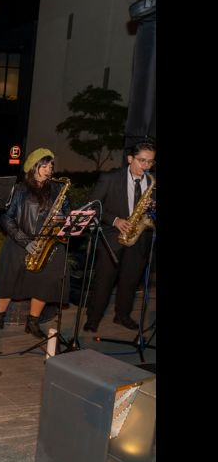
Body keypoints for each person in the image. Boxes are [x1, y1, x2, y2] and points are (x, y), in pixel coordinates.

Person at [0, 148, 70, 339]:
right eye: (45, 165)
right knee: (8, 282)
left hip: (47, 243)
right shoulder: (20, 189)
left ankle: (32, 322)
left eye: (51, 165)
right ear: (34, 166)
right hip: (19, 242)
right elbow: (6, 219)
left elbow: (68, 212)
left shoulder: (58, 189)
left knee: (43, 284)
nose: (50, 169)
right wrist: (25, 241)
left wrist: (62, 217)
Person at [83, 142, 156, 333]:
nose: (146, 166)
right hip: (112, 237)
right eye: (142, 161)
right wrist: (115, 220)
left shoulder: (151, 182)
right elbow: (93, 206)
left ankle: (122, 315)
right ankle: (93, 318)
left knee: (130, 281)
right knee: (103, 281)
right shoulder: (110, 178)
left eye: (150, 162)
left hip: (139, 238)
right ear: (130, 159)